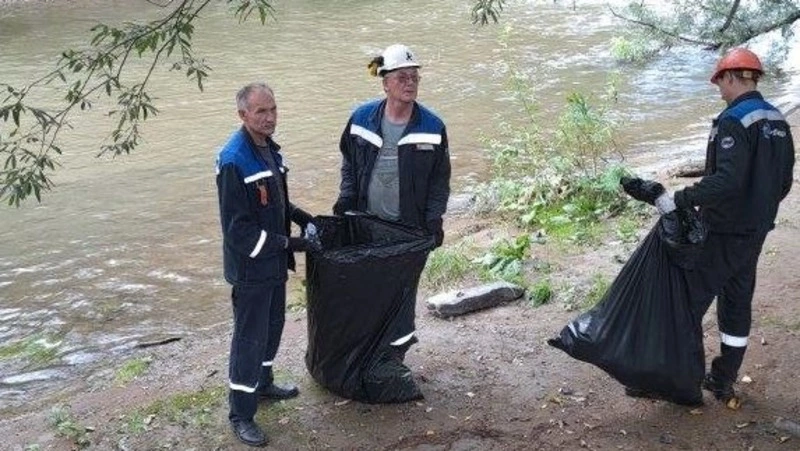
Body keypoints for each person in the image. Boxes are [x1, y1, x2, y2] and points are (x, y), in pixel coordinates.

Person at [624, 48, 795, 406]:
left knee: (685, 301)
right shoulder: (778, 119)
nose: (719, 91)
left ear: (732, 78)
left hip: (724, 230)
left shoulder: (732, 120)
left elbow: (726, 182)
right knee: (736, 303)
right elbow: (783, 182)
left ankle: (673, 380)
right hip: (755, 232)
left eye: (720, 83)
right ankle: (722, 379)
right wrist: (759, 214)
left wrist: (678, 199)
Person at [333, 43, 451, 360]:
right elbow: (348, 161)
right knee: (366, 290)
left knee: (401, 296)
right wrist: (345, 198)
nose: (410, 82)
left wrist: (433, 220)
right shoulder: (360, 119)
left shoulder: (432, 127)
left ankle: (392, 360)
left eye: (415, 77)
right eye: (402, 77)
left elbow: (440, 180)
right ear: (385, 82)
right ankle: (364, 353)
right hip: (366, 223)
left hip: (407, 229)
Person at [215, 82, 317, 447]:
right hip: (252, 269)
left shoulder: (267, 150)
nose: (270, 117)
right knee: (249, 339)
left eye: (273, 109)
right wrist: (293, 243)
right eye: (261, 112)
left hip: (273, 264)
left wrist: (301, 216)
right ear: (243, 115)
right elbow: (238, 231)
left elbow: (274, 201)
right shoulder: (233, 160)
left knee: (273, 327)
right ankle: (241, 413)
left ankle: (263, 383)